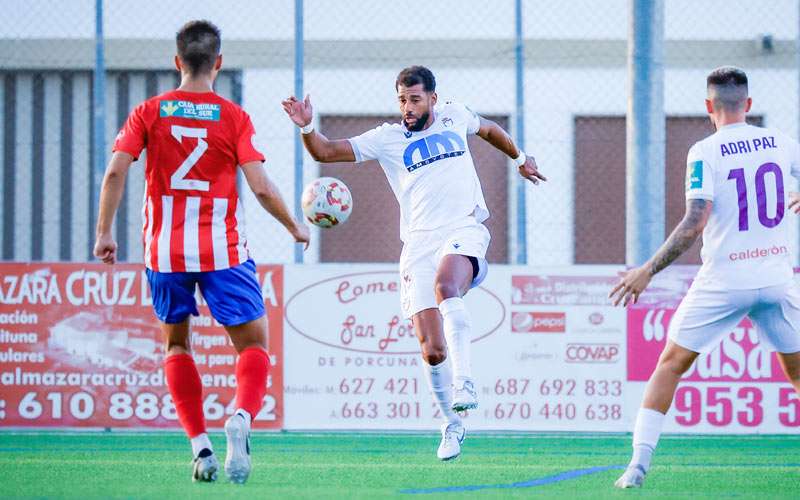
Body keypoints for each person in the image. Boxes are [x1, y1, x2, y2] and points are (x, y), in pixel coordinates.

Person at [282, 66, 545, 460]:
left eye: (415, 99)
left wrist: (521, 157)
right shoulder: (387, 138)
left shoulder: (455, 115)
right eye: (402, 100)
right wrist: (306, 128)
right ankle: (451, 424)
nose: (407, 107)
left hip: (463, 227)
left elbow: (489, 129)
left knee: (445, 287)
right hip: (418, 245)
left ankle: (465, 382)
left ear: (433, 99)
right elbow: (325, 150)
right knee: (433, 350)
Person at [93, 20, 310, 483]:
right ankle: (242, 419)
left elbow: (114, 173)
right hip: (222, 251)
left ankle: (201, 448)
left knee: (176, 343)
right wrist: (294, 226)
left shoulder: (149, 112)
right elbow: (260, 186)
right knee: (253, 345)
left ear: (177, 62)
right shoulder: (233, 116)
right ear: (218, 63)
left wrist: (104, 233)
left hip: (164, 252)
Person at [609, 66, 800, 488]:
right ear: (748, 105)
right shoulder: (783, 143)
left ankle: (637, 466)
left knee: (671, 364)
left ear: (708, 107)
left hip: (725, 281)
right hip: (775, 279)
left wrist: (647, 270)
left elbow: (694, 223)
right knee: (798, 375)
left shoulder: (704, 151)